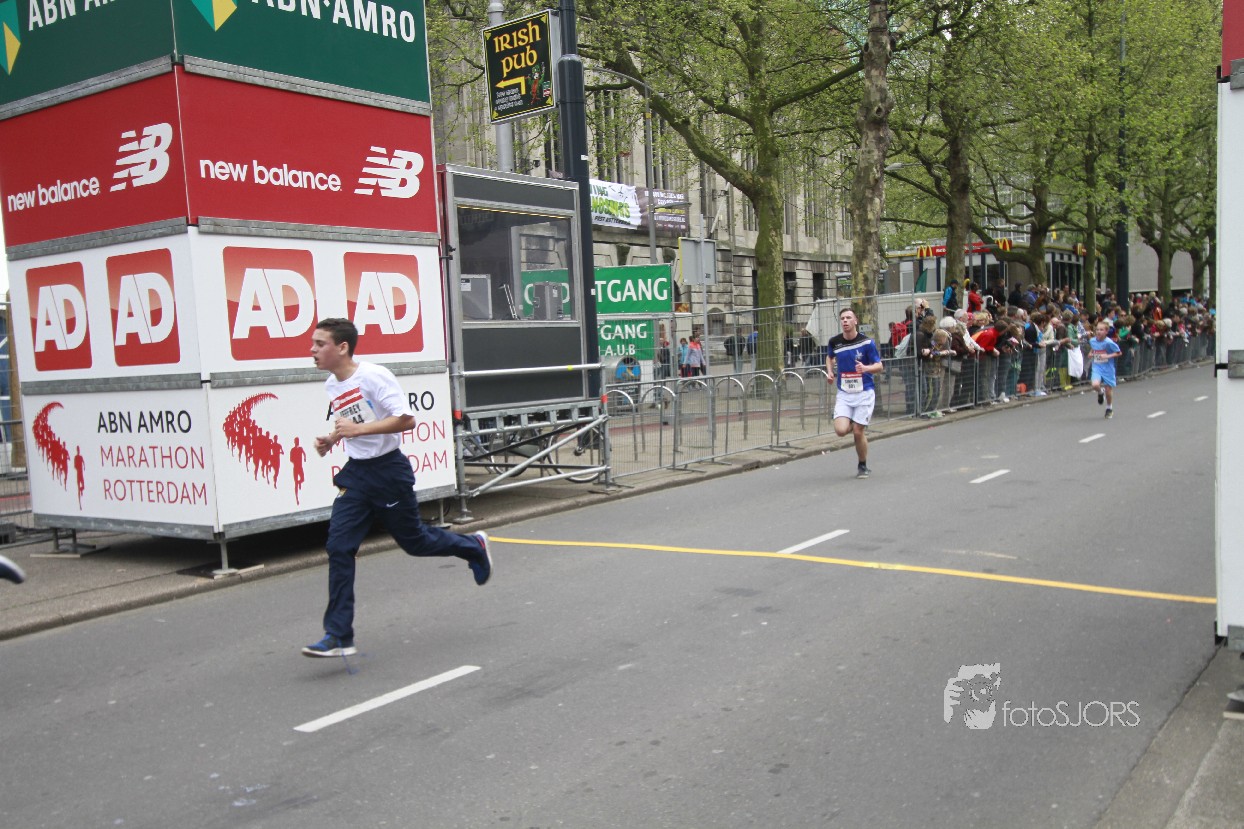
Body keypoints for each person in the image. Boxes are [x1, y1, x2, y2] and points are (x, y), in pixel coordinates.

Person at [302, 318, 492, 659]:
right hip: (356, 475)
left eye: (320, 344)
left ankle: (473, 546)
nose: (312, 350)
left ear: (342, 347)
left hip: (388, 471)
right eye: (313, 343)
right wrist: (332, 439)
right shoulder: (332, 383)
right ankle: (338, 635)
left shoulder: (374, 376)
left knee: (415, 542)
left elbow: (406, 419)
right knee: (339, 547)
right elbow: (354, 421)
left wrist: (357, 432)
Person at [825, 308, 884, 478]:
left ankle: (862, 465)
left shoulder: (866, 343)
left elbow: (879, 366)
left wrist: (866, 368)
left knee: (858, 432)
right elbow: (830, 357)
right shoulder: (835, 342)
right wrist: (830, 372)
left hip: (864, 392)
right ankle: (853, 420)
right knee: (840, 431)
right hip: (844, 393)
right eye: (842, 318)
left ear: (855, 321)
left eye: (848, 318)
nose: (845, 321)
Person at [1088, 320, 1122, 419]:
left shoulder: (1109, 342)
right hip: (1097, 367)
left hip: (1108, 368)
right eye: (1097, 329)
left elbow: (1119, 352)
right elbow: (1094, 348)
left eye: (1101, 330)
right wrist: (1091, 353)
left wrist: (1108, 356)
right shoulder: (1092, 340)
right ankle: (1100, 392)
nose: (1098, 331)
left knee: (1108, 389)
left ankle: (1109, 408)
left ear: (1106, 332)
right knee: (1095, 385)